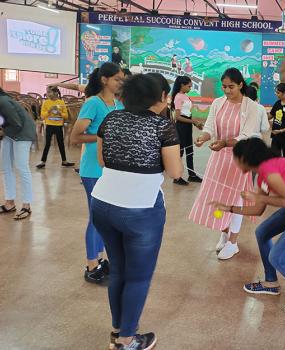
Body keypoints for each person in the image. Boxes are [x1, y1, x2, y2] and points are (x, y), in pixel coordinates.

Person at [91, 73, 183, 350]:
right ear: (160, 98)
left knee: (118, 269)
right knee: (139, 276)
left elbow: (101, 159)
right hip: (140, 210)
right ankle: (127, 341)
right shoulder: (162, 126)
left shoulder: (111, 119)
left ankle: (119, 329)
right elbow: (176, 172)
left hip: (103, 203)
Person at [211, 137, 285, 315]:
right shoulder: (262, 175)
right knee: (263, 231)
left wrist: (258, 197)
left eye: (236, 158)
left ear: (245, 158)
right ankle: (271, 282)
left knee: (278, 257)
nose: (235, 162)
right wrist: (228, 208)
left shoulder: (269, 169)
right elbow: (258, 210)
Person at [190, 68, 260, 260]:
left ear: (240, 85)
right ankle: (224, 232)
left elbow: (246, 135)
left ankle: (233, 242)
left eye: (231, 87)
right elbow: (210, 126)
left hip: (239, 159)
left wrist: (225, 143)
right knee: (219, 197)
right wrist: (203, 137)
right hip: (219, 158)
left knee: (235, 200)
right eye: (224, 87)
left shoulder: (251, 107)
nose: (227, 91)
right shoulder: (218, 103)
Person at [70, 62, 125, 284]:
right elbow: (75, 137)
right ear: (104, 80)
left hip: (111, 170)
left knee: (107, 219)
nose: (120, 83)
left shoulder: (118, 105)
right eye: (117, 79)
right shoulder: (93, 103)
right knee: (96, 219)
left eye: (122, 79)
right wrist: (103, 137)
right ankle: (91, 263)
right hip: (93, 169)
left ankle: (102, 260)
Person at [0, 74, 37, 220]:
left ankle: (26, 205)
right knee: (5, 167)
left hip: (22, 132)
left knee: (21, 167)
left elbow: (17, 124)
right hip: (8, 132)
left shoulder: (3, 101)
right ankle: (9, 203)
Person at [169, 76, 204, 185]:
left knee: (190, 151)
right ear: (182, 85)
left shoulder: (185, 96)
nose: (190, 88)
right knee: (180, 152)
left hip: (187, 126)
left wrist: (195, 122)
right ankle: (176, 177)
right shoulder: (178, 97)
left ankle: (192, 175)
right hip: (181, 127)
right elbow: (178, 117)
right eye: (189, 86)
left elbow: (187, 114)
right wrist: (193, 122)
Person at [36, 86, 74, 169]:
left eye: (49, 92)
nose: (48, 94)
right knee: (47, 144)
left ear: (56, 93)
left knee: (61, 143)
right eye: (47, 92)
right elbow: (42, 116)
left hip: (59, 126)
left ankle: (64, 161)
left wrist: (60, 113)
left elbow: (66, 116)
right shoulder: (46, 103)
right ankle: (43, 161)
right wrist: (49, 111)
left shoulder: (61, 102)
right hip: (49, 125)